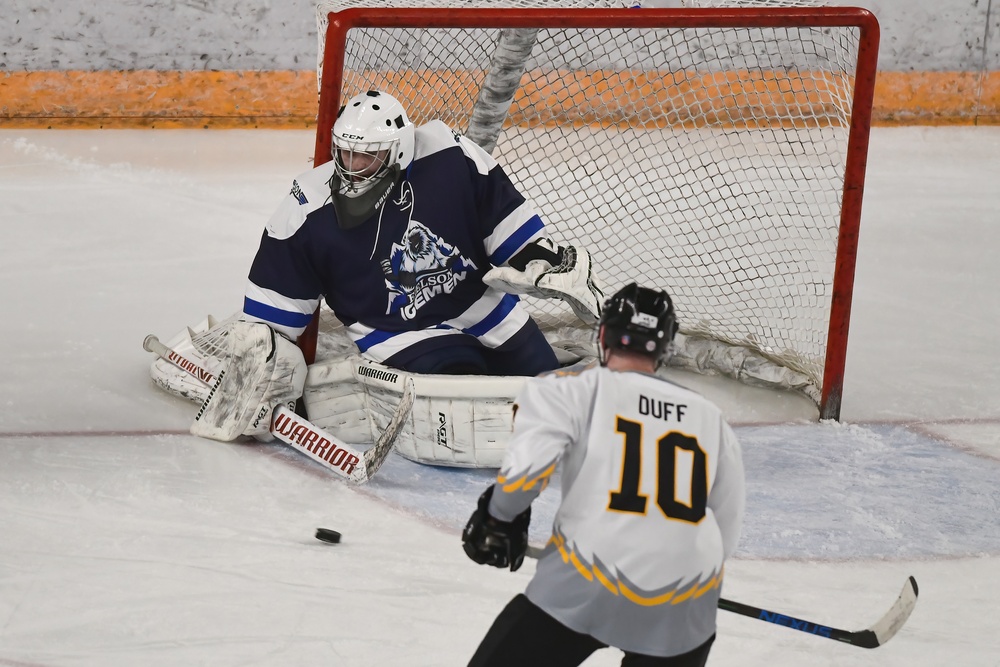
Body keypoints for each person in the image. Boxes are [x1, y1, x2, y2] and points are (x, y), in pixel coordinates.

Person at [461, 283, 746, 667]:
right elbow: (726, 531)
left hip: (586, 577)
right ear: (665, 347)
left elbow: (524, 476)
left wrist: (497, 518)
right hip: (687, 602)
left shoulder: (570, 390)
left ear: (602, 335)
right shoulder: (710, 417)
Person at [241, 89, 605, 379]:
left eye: (365, 157)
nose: (351, 168)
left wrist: (544, 265)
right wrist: (262, 356)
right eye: (345, 153)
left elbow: (511, 234)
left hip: (484, 308)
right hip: (393, 331)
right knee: (459, 387)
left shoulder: (451, 157)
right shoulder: (307, 207)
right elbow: (273, 316)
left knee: (540, 378)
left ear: (398, 150)